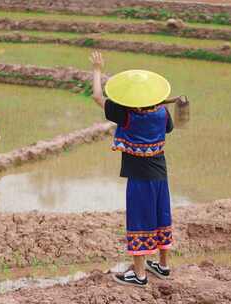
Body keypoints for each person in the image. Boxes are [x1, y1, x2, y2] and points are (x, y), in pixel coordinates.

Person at [90, 51, 180, 287]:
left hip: (140, 178)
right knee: (162, 216)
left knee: (139, 220)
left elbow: (97, 96)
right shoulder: (162, 112)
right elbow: (168, 128)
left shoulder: (127, 115)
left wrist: (98, 69)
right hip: (161, 174)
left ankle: (139, 275)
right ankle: (163, 266)